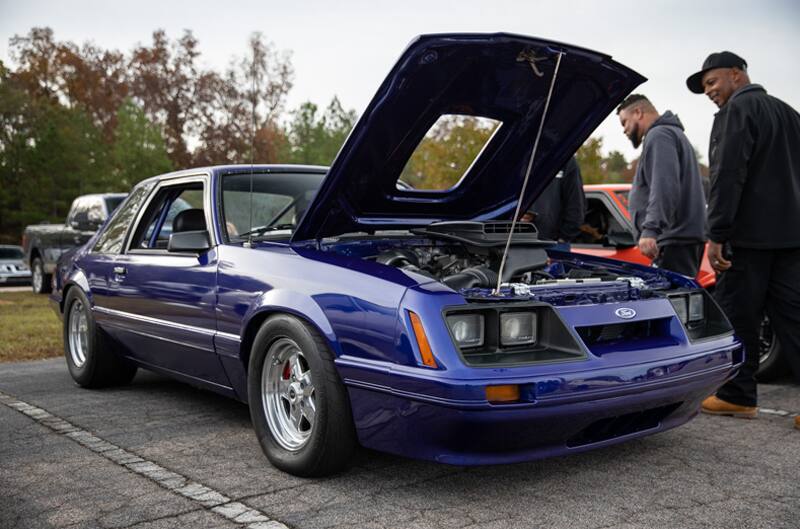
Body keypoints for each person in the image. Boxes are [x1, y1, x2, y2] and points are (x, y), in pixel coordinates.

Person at [686, 51, 800, 419]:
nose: (709, 92)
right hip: (791, 238)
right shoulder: (790, 114)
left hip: (747, 239)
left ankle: (737, 395)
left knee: (739, 315)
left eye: (712, 82)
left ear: (736, 75)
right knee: (793, 318)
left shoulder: (736, 112)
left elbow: (727, 175)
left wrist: (717, 233)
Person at [616, 94, 707, 277]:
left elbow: (664, 185)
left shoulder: (659, 135)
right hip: (681, 238)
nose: (624, 130)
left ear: (638, 112)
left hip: (674, 239)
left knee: (672, 302)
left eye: (624, 122)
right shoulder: (672, 134)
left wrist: (651, 230)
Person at [520, 156, 584, 250]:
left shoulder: (565, 159)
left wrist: (563, 238)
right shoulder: (517, 159)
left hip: (555, 245)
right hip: (517, 245)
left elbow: (576, 205)